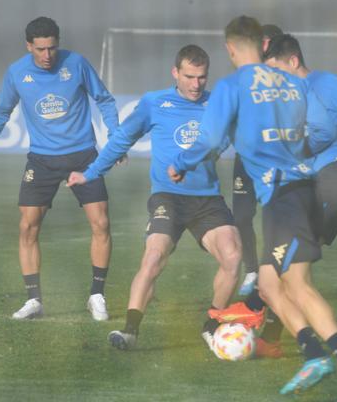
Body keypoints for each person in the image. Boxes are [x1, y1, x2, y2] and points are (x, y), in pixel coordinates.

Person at [169, 16, 337, 401]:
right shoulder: (294, 84)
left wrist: (181, 162)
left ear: (231, 50)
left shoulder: (233, 86)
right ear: (262, 47)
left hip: (283, 196)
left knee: (297, 284)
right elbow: (317, 132)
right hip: (307, 187)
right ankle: (314, 354)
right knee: (267, 283)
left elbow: (211, 138)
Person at [66, 44, 241, 351]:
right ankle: (130, 332)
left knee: (233, 257)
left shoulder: (218, 105)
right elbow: (122, 138)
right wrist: (91, 173)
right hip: (168, 197)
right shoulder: (155, 103)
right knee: (153, 257)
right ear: (175, 73)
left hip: (208, 199)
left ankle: (211, 326)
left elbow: (232, 138)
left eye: (202, 77)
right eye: (189, 76)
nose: (196, 84)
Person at [0, 16, 119, 321]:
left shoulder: (76, 64)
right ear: (29, 46)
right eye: (40, 49)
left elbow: (103, 99)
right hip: (42, 159)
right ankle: (34, 301)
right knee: (27, 226)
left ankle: (96, 295)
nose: (47, 55)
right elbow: (1, 112)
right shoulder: (16, 73)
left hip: (84, 156)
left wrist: (116, 138)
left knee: (101, 223)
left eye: (52, 48)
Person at [252, 33, 337, 357]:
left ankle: (333, 354)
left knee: (287, 268)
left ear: (293, 61)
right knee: (279, 269)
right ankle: (274, 335)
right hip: (320, 184)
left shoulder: (326, 84)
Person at [233, 23, 285, 297]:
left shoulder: (285, 78)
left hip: (276, 158)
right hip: (246, 157)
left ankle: (272, 271)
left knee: (275, 218)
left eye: (267, 43)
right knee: (241, 216)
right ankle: (252, 269)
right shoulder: (245, 74)